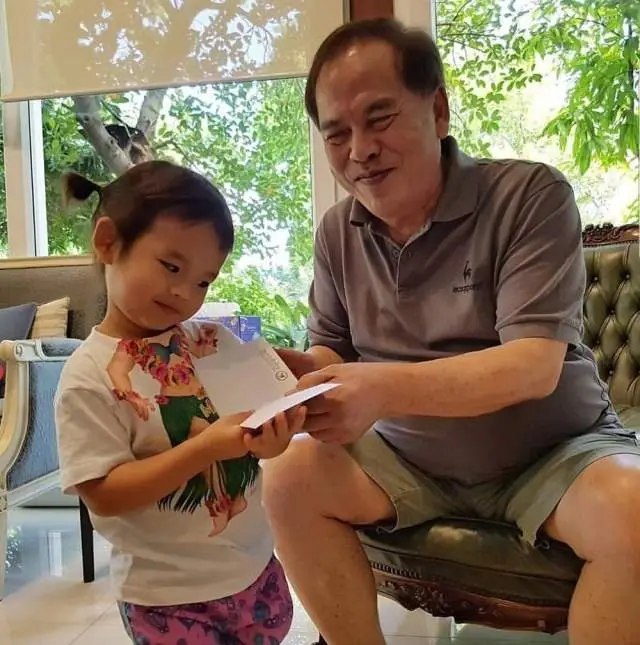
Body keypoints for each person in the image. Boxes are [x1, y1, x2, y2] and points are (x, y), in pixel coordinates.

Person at [262, 18, 640, 645]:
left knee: (633, 510)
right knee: (289, 475)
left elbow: (531, 366)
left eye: (379, 118)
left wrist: (378, 389)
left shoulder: (529, 195)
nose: (360, 150)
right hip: (406, 461)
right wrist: (295, 376)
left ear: (437, 110)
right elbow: (332, 350)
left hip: (553, 454)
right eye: (337, 133)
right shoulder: (336, 232)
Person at [54, 160, 307, 644]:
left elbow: (251, 427)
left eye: (203, 282)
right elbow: (104, 494)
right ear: (108, 242)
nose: (184, 293)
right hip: (166, 596)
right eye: (171, 267)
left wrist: (270, 441)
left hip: (254, 571)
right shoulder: (87, 375)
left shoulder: (210, 340)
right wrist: (205, 448)